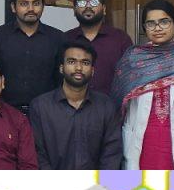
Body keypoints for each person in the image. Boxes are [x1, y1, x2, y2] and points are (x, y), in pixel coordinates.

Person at [111, 0, 174, 170]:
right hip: (142, 145)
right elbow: (117, 104)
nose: (157, 28)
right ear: (144, 28)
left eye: (164, 21)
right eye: (151, 23)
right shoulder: (133, 59)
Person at [29, 41, 122, 170]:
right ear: (61, 68)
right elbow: (38, 154)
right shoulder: (40, 107)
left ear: (92, 71)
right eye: (72, 62)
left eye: (85, 63)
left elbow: (111, 155)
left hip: (96, 182)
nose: (78, 68)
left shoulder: (106, 106)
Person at [0, 0, 64, 117]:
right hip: (4, 114)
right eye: (24, 4)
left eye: (36, 3)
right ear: (13, 7)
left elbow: (62, 80)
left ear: (43, 6)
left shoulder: (57, 38)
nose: (31, 9)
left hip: (46, 115)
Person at [64, 0, 133, 96]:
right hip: (72, 105)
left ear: (104, 9)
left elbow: (130, 78)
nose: (88, 6)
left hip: (112, 105)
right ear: (74, 10)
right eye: (82, 2)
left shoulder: (121, 39)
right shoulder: (65, 39)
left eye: (94, 2)